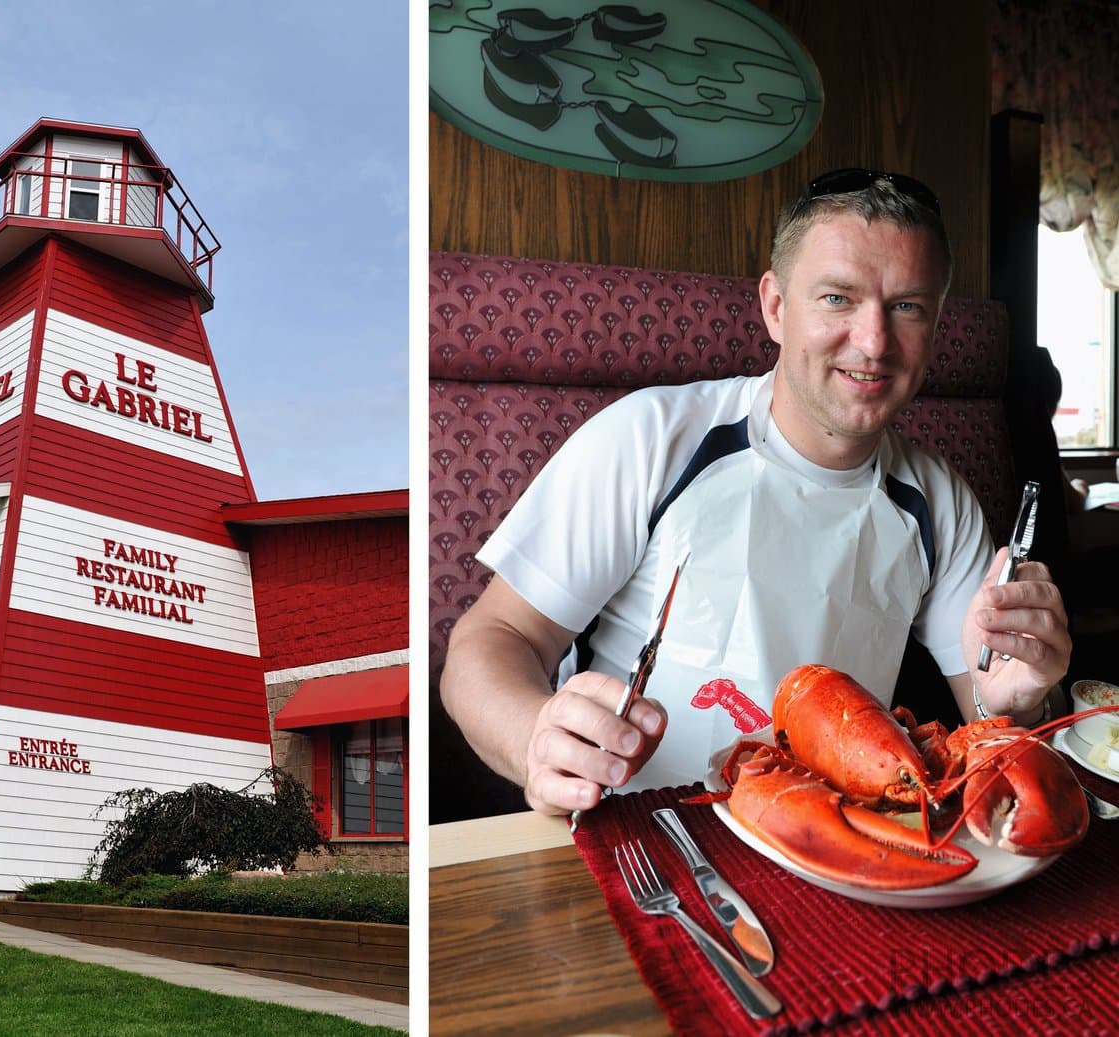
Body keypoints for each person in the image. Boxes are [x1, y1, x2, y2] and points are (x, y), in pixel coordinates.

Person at [439, 168, 1072, 817]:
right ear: (775, 306)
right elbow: (490, 640)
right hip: (641, 837)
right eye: (837, 298)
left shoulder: (941, 500)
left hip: (840, 848)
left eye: (906, 306)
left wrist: (1018, 702)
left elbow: (991, 728)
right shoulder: (653, 436)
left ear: (935, 327)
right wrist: (533, 737)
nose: (874, 341)